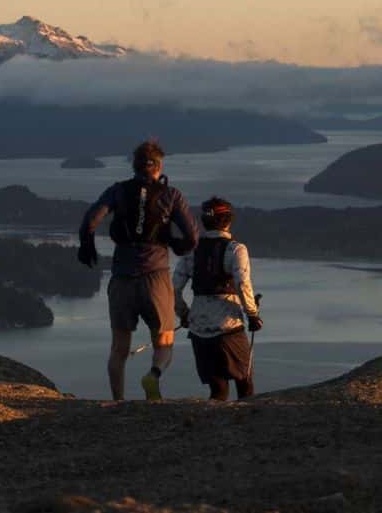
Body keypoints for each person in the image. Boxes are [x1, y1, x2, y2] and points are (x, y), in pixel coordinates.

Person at [78, 140, 198, 401]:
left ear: (134, 165)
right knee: (164, 342)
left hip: (122, 278)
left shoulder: (118, 191)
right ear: (159, 166)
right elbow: (192, 238)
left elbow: (91, 219)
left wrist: (86, 245)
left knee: (119, 348)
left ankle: (118, 401)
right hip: (155, 277)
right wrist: (175, 244)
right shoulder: (171, 195)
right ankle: (153, 376)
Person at [173, 196, 263, 401]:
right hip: (228, 327)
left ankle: (214, 429)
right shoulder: (236, 249)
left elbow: (174, 289)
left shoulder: (192, 252)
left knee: (217, 389)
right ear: (229, 220)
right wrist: (253, 314)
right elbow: (242, 284)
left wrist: (185, 314)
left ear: (204, 221)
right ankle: (246, 428)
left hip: (199, 329)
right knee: (245, 382)